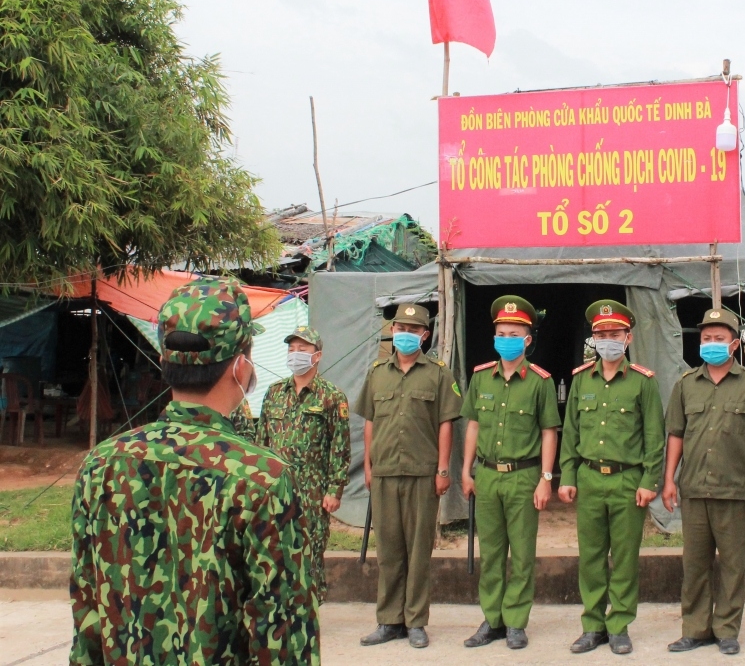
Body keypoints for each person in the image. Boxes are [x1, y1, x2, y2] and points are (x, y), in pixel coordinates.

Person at [69, 278, 318, 664]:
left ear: (165, 360)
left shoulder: (101, 464)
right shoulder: (262, 478)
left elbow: (87, 613)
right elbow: (284, 638)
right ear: (240, 365)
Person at [662, 309, 745, 656]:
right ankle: (695, 629)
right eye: (706, 338)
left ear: (734, 343)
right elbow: (676, 436)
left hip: (735, 489)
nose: (711, 344)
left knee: (732, 564)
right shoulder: (685, 385)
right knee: (694, 564)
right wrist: (669, 479)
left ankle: (727, 629)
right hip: (694, 488)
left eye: (719, 338)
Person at [559, 300, 666, 656]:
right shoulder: (580, 379)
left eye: (614, 334)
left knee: (624, 556)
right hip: (590, 478)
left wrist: (650, 481)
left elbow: (655, 436)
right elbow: (570, 431)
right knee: (590, 556)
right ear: (593, 339)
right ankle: (592, 625)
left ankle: (619, 624)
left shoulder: (642, 382)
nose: (608, 340)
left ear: (628, 337)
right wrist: (567, 475)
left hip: (627, 481)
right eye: (601, 334)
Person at [356, 304, 460, 650]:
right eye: (400, 327)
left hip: (422, 473)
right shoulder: (377, 372)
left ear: (424, 335)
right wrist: (368, 466)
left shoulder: (438, 374)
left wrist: (443, 469)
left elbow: (446, 424)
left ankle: (415, 621)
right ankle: (388, 621)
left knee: (418, 552)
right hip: (384, 472)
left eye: (413, 329)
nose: (405, 333)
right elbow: (370, 422)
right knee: (388, 550)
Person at [460, 295, 561, 650]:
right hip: (486, 475)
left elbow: (550, 431)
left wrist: (546, 479)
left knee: (521, 553)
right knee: (490, 552)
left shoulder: (540, 382)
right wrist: (466, 470)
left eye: (513, 333)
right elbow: (472, 425)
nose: (506, 338)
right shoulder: (480, 378)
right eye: (501, 332)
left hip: (523, 476)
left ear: (527, 340)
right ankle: (492, 620)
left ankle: (516, 621)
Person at [253, 325, 351, 606]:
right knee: (274, 549)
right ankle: (279, 607)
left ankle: (310, 609)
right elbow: (261, 442)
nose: (295, 354)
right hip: (275, 489)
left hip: (312, 491)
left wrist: (334, 490)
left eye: (302, 349)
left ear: (317, 356)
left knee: (311, 552)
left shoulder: (331, 396)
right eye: (291, 349)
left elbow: (340, 448)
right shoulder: (273, 393)